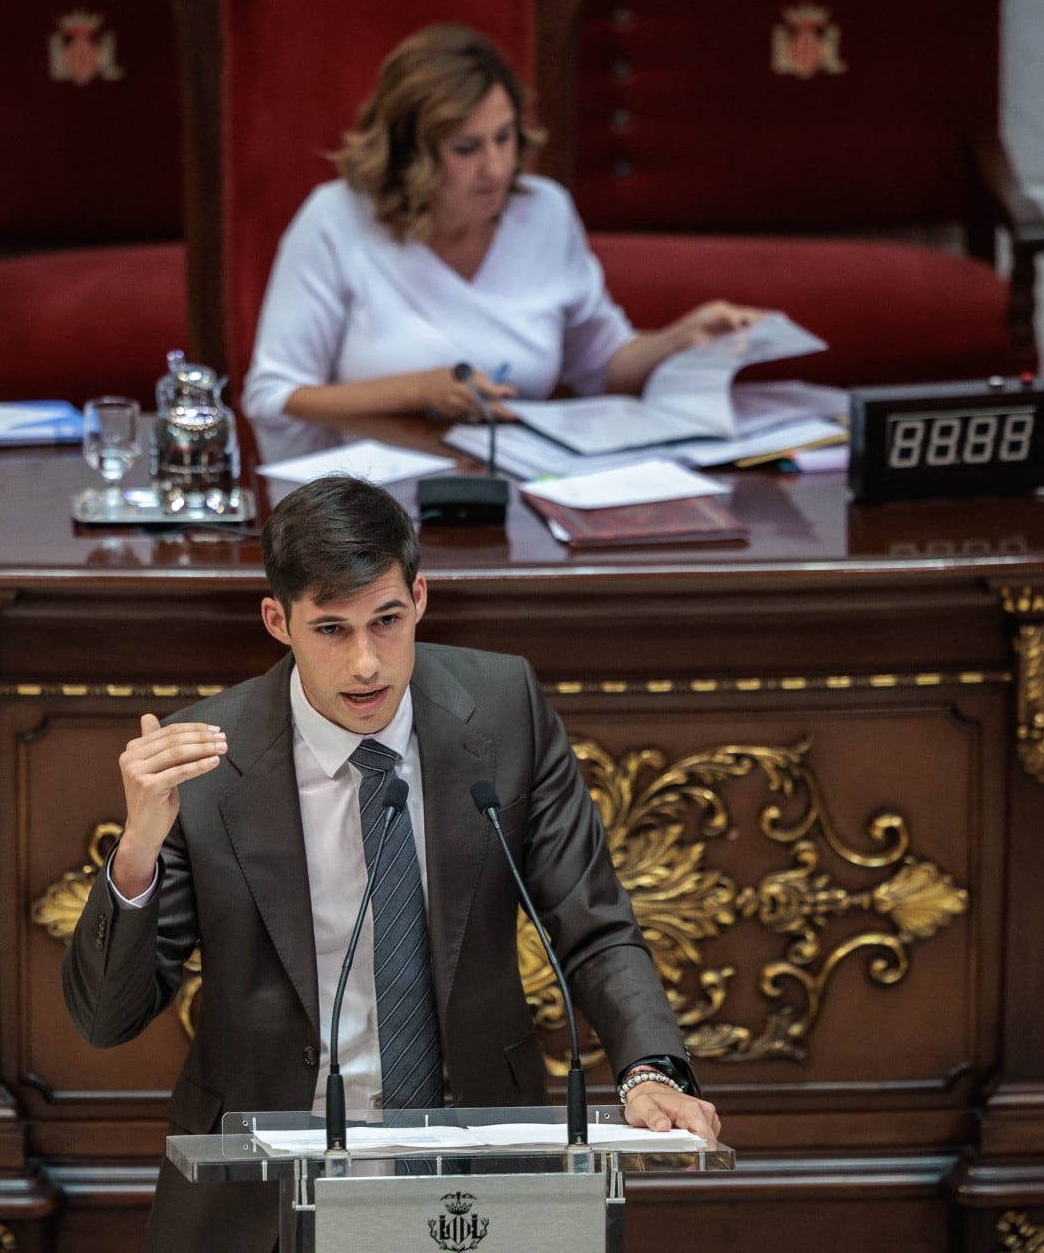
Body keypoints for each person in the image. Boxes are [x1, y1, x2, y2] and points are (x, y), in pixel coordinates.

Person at [64, 475, 718, 1252]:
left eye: (387, 621)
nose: (367, 663)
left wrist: (649, 1072)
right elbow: (106, 1020)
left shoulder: (503, 707)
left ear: (420, 597)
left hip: (479, 1162)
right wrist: (138, 847)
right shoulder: (207, 759)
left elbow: (594, 926)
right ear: (279, 621)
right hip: (270, 1180)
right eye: (332, 630)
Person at [241, 23, 769, 463]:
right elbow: (273, 395)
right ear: (410, 152)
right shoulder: (335, 218)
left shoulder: (545, 212)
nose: (495, 168)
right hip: (365, 508)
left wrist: (681, 337)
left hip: (516, 495)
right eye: (466, 148)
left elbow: (603, 366)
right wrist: (419, 392)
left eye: (505, 138)